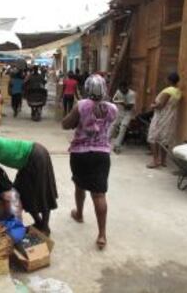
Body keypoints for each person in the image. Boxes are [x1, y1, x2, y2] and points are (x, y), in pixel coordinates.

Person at [0, 115, 58, 235]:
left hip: (35, 155)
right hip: (25, 162)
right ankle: (38, 223)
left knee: (40, 193)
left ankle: (45, 228)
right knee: (22, 192)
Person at [62, 74, 117, 250]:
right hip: (101, 154)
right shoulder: (112, 109)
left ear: (86, 88)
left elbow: (66, 124)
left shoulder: (81, 106)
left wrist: (74, 119)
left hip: (80, 153)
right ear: (104, 89)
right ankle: (102, 235)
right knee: (99, 194)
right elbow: (106, 124)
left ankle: (79, 214)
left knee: (79, 184)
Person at [147, 72, 182, 168]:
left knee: (153, 137)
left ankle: (155, 161)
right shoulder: (178, 91)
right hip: (171, 117)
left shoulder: (168, 91)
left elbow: (160, 105)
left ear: (169, 80)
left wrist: (152, 105)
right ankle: (163, 161)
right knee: (164, 139)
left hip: (161, 117)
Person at [110, 81, 136, 153]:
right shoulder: (118, 92)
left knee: (123, 127)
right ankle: (105, 142)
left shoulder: (132, 94)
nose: (122, 91)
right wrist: (117, 102)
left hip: (127, 113)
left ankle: (117, 145)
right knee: (113, 125)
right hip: (119, 112)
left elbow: (129, 107)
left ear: (126, 87)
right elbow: (113, 99)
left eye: (123, 89)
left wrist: (122, 103)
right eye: (121, 89)